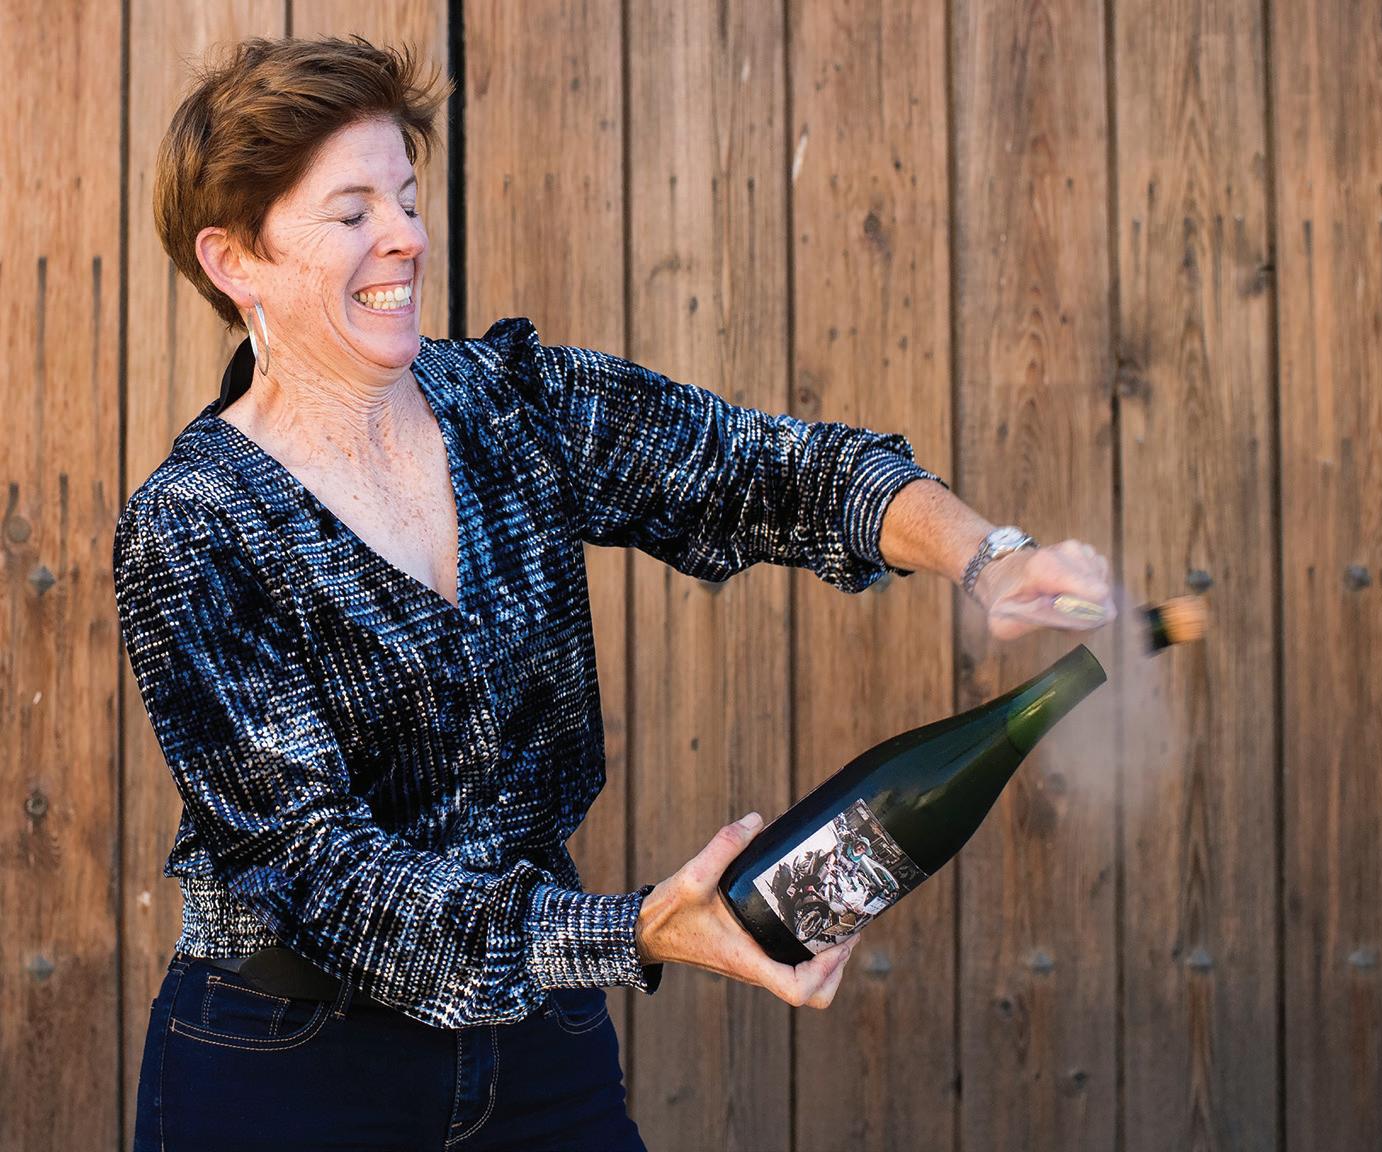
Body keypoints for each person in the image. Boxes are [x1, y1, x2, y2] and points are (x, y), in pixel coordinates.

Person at [116, 34, 1114, 1152]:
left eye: (406, 197)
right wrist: (631, 932)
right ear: (233, 260)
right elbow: (324, 878)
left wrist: (985, 556)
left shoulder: (511, 404)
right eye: (351, 213)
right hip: (286, 1066)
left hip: (538, 1049)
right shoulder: (193, 526)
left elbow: (768, 470)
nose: (406, 236)